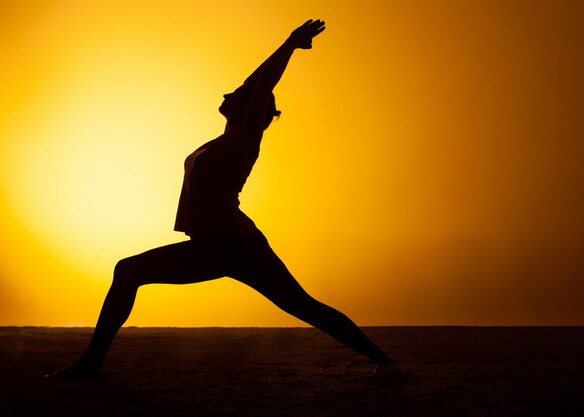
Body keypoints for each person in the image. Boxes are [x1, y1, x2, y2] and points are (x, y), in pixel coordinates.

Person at [50, 20, 393, 378]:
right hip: (217, 245)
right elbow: (254, 84)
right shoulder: (222, 140)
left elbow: (261, 86)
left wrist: (290, 44)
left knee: (303, 307)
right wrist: (276, 57)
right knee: (129, 272)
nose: (229, 92)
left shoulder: (243, 142)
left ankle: (382, 361)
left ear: (249, 110)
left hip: (234, 246)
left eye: (238, 94)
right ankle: (91, 363)